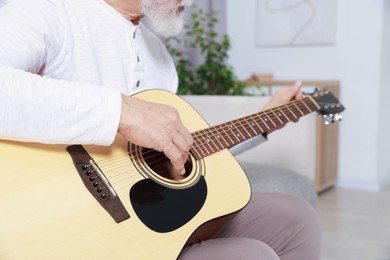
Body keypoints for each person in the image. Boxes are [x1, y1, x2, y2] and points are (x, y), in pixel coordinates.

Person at [0, 0, 321, 259]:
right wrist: (122, 112)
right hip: (67, 223)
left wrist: (264, 121)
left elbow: (182, 150)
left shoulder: (159, 56)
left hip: (151, 214)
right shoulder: (48, 11)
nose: (193, 3)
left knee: (296, 218)